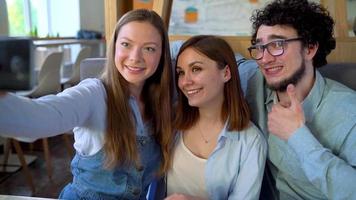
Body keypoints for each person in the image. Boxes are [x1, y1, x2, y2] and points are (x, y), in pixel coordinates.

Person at [0, 9, 174, 199]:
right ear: (114, 46)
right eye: (126, 44)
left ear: (162, 54)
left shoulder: (161, 103)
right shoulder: (94, 94)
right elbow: (40, 117)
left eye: (149, 48)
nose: (135, 57)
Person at [245, 0, 356, 199]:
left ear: (310, 49)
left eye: (277, 44)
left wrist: (298, 137)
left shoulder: (349, 112)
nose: (265, 59)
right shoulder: (255, 85)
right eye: (260, 47)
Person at [164, 35, 266, 200]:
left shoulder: (251, 142)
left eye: (196, 69)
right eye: (181, 73)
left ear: (226, 73)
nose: (185, 81)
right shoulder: (171, 123)